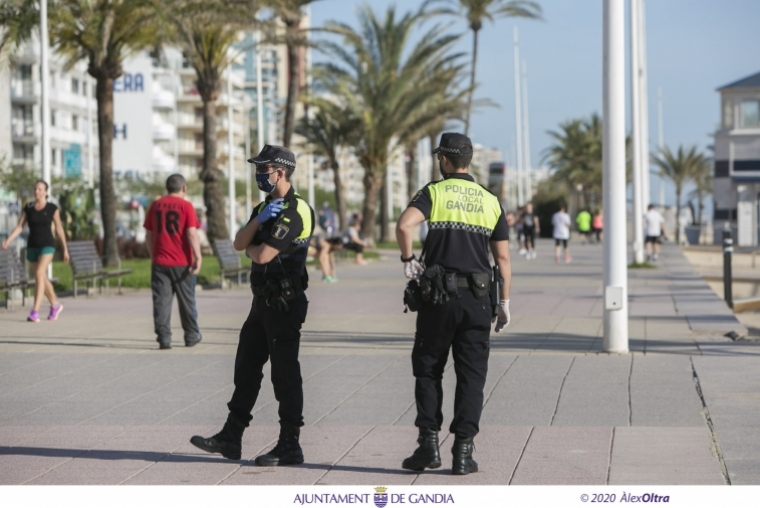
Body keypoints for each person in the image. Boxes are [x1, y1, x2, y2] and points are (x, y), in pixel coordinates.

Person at [190, 144, 314, 466]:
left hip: (285, 304)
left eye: (265, 169)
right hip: (261, 303)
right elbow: (238, 242)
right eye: (258, 168)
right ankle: (231, 437)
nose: (260, 174)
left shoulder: (295, 210)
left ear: (281, 172)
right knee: (246, 368)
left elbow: (259, 254)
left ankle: (290, 443)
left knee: (284, 374)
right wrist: (258, 221)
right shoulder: (265, 207)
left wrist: (254, 237)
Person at [396, 133, 512, 476]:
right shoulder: (491, 200)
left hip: (439, 299)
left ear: (444, 160)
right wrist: (504, 301)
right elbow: (502, 259)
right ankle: (463, 453)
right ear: (469, 160)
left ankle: (428, 446)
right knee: (471, 376)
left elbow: (404, 225)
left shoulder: (434, 192)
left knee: (429, 368)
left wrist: (408, 259)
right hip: (478, 301)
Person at [143, 174, 203, 350]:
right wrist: (198, 257)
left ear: (167, 187)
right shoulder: (186, 206)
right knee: (187, 300)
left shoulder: (156, 205)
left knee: (161, 301)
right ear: (184, 188)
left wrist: (153, 255)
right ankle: (191, 335)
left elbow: (148, 235)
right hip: (182, 262)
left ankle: (164, 338)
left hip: (160, 262)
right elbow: (192, 233)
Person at [2, 180, 69, 322]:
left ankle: (35, 311)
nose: (36, 191)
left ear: (46, 192)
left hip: (47, 245)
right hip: (32, 246)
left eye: (39, 189)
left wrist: (65, 249)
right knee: (42, 278)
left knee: (39, 273)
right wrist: (8, 240)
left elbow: (59, 228)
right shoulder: (29, 207)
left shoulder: (52, 208)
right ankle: (55, 305)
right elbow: (20, 226)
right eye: (35, 189)